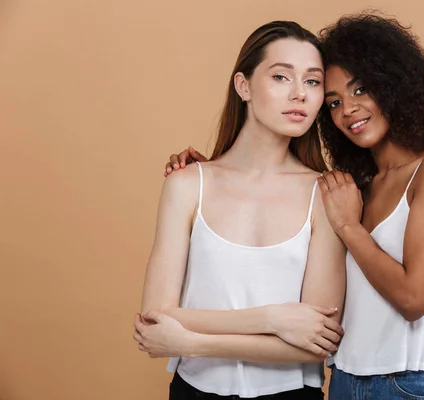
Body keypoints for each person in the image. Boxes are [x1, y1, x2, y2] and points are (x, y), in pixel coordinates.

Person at [165, 12, 424, 400]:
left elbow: (414, 300)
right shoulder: (355, 185)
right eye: (333, 101)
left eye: (361, 89)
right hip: (345, 380)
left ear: (394, 84)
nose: (348, 109)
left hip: (418, 383)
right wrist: (210, 173)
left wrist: (349, 228)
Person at [133, 21, 346, 400]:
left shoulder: (326, 194)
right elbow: (156, 317)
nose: (299, 94)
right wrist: (274, 319)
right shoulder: (187, 184)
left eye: (313, 82)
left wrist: (193, 341)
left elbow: (317, 342)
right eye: (281, 77)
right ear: (243, 86)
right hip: (193, 391)